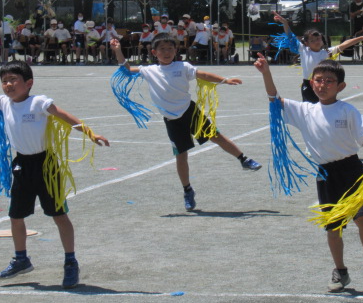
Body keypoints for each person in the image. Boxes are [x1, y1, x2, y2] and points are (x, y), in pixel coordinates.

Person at [0, 59, 108, 288]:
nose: (8, 85)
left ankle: (70, 262)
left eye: (13, 80)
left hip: (46, 166)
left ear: (28, 83)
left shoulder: (38, 102)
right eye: (4, 81)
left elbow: (64, 115)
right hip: (22, 165)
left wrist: (90, 133)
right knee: (16, 216)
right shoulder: (3, 103)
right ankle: (21, 259)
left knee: (59, 215)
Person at [254, 56, 363, 292]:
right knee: (333, 227)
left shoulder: (347, 110)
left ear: (340, 86)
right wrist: (266, 73)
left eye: (329, 81)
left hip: (351, 169)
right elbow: (275, 100)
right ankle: (340, 271)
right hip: (326, 173)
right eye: (318, 80)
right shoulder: (305, 110)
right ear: (311, 83)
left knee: (362, 218)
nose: (322, 85)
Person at [109, 34, 262, 211]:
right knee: (181, 155)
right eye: (162, 49)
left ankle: (243, 159)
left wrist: (224, 80)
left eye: (170, 48)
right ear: (154, 52)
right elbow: (127, 69)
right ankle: (187, 190)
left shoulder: (183, 67)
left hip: (189, 112)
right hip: (172, 120)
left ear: (176, 51)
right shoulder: (149, 70)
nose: (167, 52)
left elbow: (202, 74)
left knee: (216, 136)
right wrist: (118, 50)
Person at [274, 14, 363, 103]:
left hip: (323, 84)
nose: (317, 41)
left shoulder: (327, 53)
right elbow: (290, 35)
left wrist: (361, 38)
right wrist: (285, 23)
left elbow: (344, 45)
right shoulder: (304, 50)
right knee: (310, 110)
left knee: (323, 107)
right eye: (312, 40)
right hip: (308, 85)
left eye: (318, 39)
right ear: (307, 43)